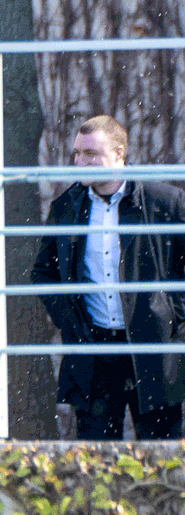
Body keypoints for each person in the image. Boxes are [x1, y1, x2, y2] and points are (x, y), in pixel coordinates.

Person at [31, 115, 185, 440]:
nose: (80, 162)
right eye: (77, 153)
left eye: (91, 154)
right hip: (94, 350)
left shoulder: (164, 202)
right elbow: (43, 272)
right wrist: (71, 324)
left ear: (119, 154)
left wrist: (174, 319)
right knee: (95, 458)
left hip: (153, 347)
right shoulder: (66, 207)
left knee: (163, 456)